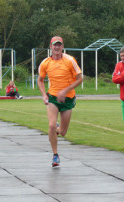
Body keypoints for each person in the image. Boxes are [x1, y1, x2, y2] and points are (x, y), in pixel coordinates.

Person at [37, 36, 82, 167]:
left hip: (68, 99)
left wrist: (65, 91)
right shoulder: (45, 62)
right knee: (51, 126)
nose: (57, 47)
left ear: (62, 47)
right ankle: (55, 155)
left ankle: (58, 127)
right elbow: (40, 80)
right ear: (50, 47)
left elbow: (80, 79)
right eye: (54, 45)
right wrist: (44, 95)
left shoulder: (69, 60)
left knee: (62, 132)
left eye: (59, 45)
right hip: (53, 98)